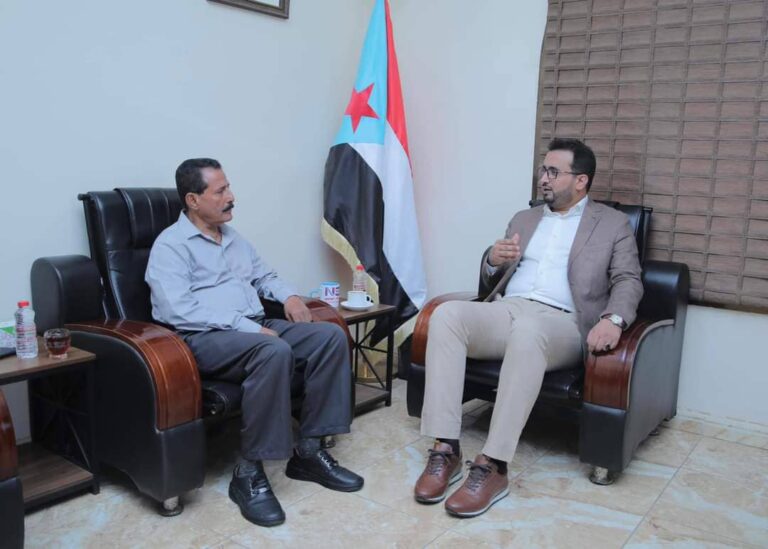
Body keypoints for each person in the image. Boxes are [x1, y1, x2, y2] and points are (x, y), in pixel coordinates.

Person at [414, 138, 643, 517]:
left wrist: (613, 319)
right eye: (542, 169)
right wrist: (492, 259)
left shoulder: (612, 224)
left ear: (581, 180)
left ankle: (494, 464)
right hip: (509, 309)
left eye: (553, 171)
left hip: (563, 322)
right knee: (447, 315)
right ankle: (445, 448)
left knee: (529, 331)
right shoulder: (524, 218)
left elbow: (628, 280)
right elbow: (491, 281)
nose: (543, 178)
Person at [146, 158, 363, 528]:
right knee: (272, 349)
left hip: (254, 325)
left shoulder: (233, 238)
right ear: (193, 200)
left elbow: (265, 276)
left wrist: (290, 297)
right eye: (220, 191)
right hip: (203, 338)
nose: (231, 197)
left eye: (228, 187)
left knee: (329, 337)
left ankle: (308, 452)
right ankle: (247, 474)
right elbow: (177, 309)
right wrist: (244, 327)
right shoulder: (171, 246)